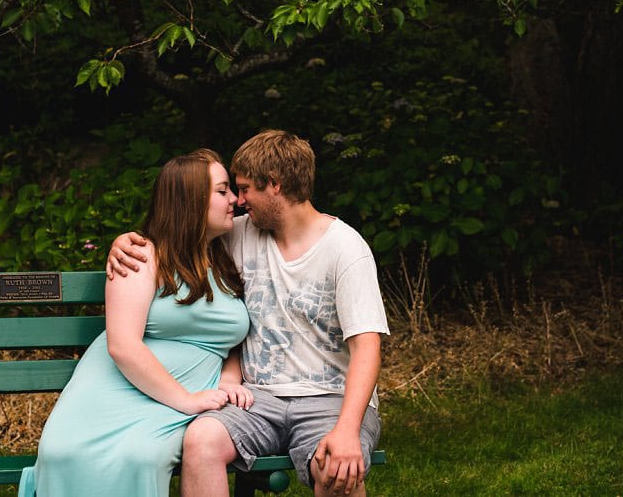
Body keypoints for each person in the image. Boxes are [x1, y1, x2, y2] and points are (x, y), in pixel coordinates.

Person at [108, 130, 389, 497]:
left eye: (244, 189)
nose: (239, 202)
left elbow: (368, 346)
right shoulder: (237, 234)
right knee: (201, 441)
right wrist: (125, 242)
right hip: (256, 398)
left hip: (330, 398)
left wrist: (348, 430)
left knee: (335, 467)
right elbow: (177, 233)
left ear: (274, 185)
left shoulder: (345, 249)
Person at [19, 149, 253, 497]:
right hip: (124, 386)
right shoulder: (140, 256)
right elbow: (123, 346)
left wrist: (229, 378)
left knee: (140, 456)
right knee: (65, 453)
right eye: (222, 191)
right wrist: (186, 400)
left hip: (188, 394)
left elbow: (232, 340)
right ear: (190, 201)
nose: (235, 199)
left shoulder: (230, 249)